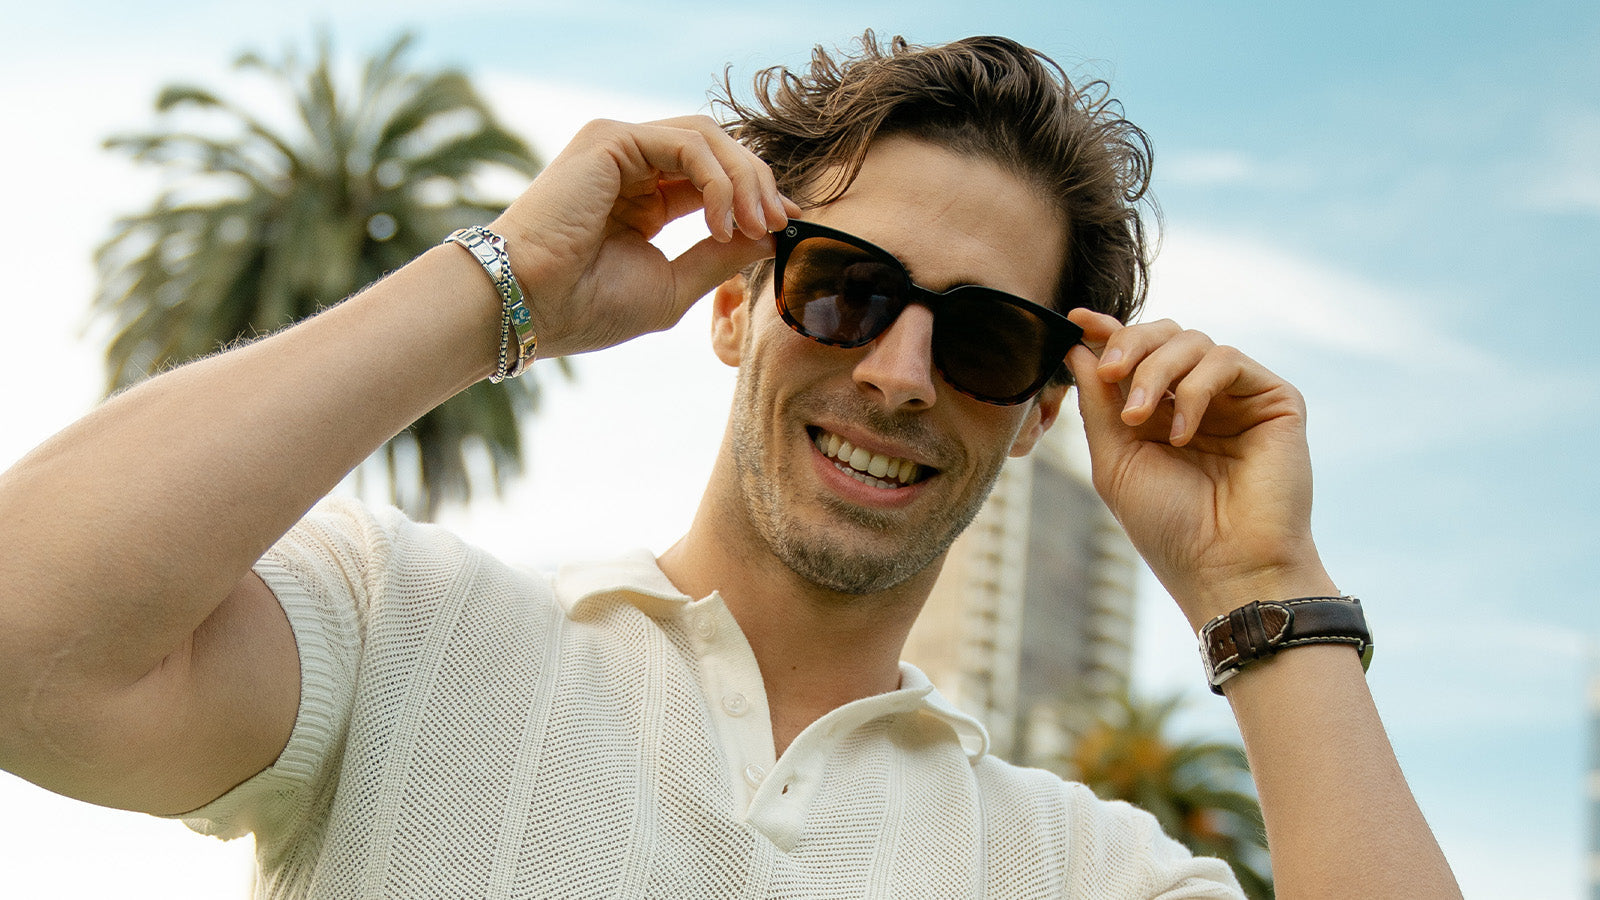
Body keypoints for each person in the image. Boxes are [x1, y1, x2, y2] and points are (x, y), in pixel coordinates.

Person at [0, 33, 1459, 899]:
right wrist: (502, 289)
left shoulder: (1072, 867)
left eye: (986, 341)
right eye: (842, 288)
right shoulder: (397, 632)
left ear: (1034, 415)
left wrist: (1266, 591)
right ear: (733, 306)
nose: (895, 371)